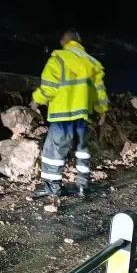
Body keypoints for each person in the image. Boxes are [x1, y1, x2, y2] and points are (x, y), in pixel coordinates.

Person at [31, 29, 109, 198]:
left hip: (62, 115)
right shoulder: (92, 63)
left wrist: (36, 100)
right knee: (82, 151)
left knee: (53, 151)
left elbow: (48, 88)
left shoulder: (58, 58)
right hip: (82, 117)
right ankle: (83, 186)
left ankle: (52, 188)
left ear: (63, 42)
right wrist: (102, 111)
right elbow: (99, 92)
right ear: (79, 40)